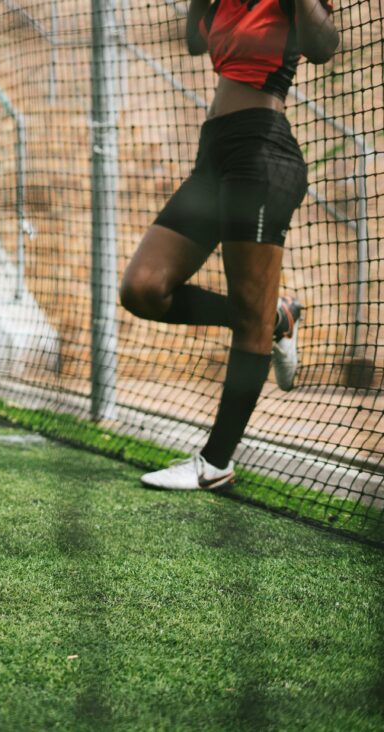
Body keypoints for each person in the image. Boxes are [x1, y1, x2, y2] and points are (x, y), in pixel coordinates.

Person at [119, 0, 338, 490]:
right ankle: (274, 316)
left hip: (261, 152)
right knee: (143, 288)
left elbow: (324, 46)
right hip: (213, 154)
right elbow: (196, 40)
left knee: (247, 319)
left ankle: (215, 463)